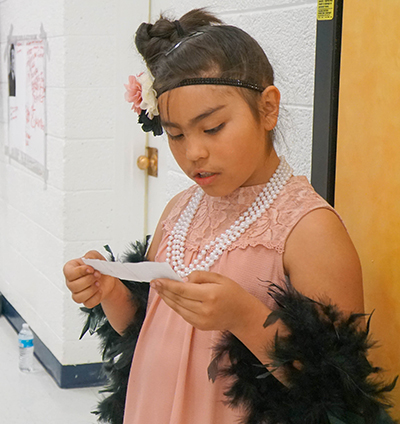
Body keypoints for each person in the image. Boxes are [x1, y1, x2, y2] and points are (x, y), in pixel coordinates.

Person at [63, 9, 395, 424]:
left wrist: (243, 315)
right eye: (176, 135)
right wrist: (111, 292)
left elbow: (338, 390)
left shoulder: (309, 230)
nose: (193, 152)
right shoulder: (178, 211)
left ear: (268, 108)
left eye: (213, 127)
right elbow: (147, 330)